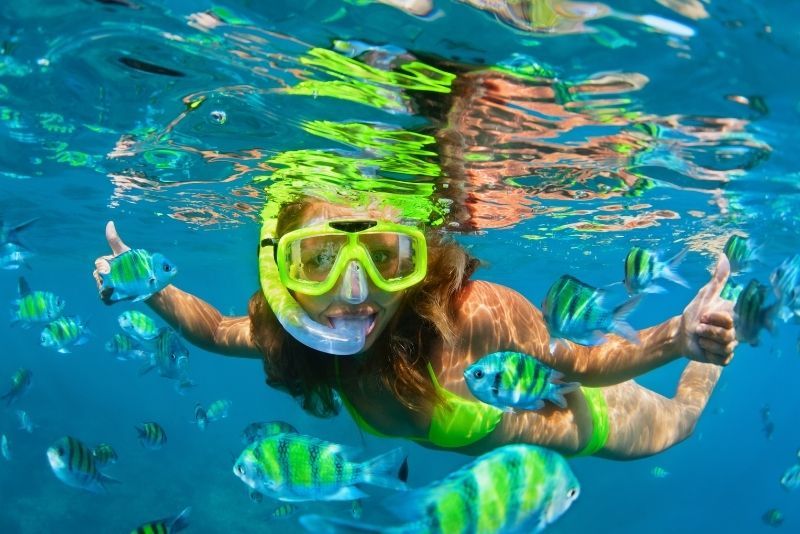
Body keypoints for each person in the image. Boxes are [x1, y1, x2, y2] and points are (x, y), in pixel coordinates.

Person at [93, 194, 736, 460]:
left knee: (682, 422)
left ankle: (712, 331)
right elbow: (212, 330)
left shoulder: (471, 315)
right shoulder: (291, 333)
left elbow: (584, 364)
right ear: (280, 273)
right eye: (317, 260)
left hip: (578, 416)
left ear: (416, 262)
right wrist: (147, 285)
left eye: (383, 257)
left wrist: (677, 338)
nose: (354, 291)